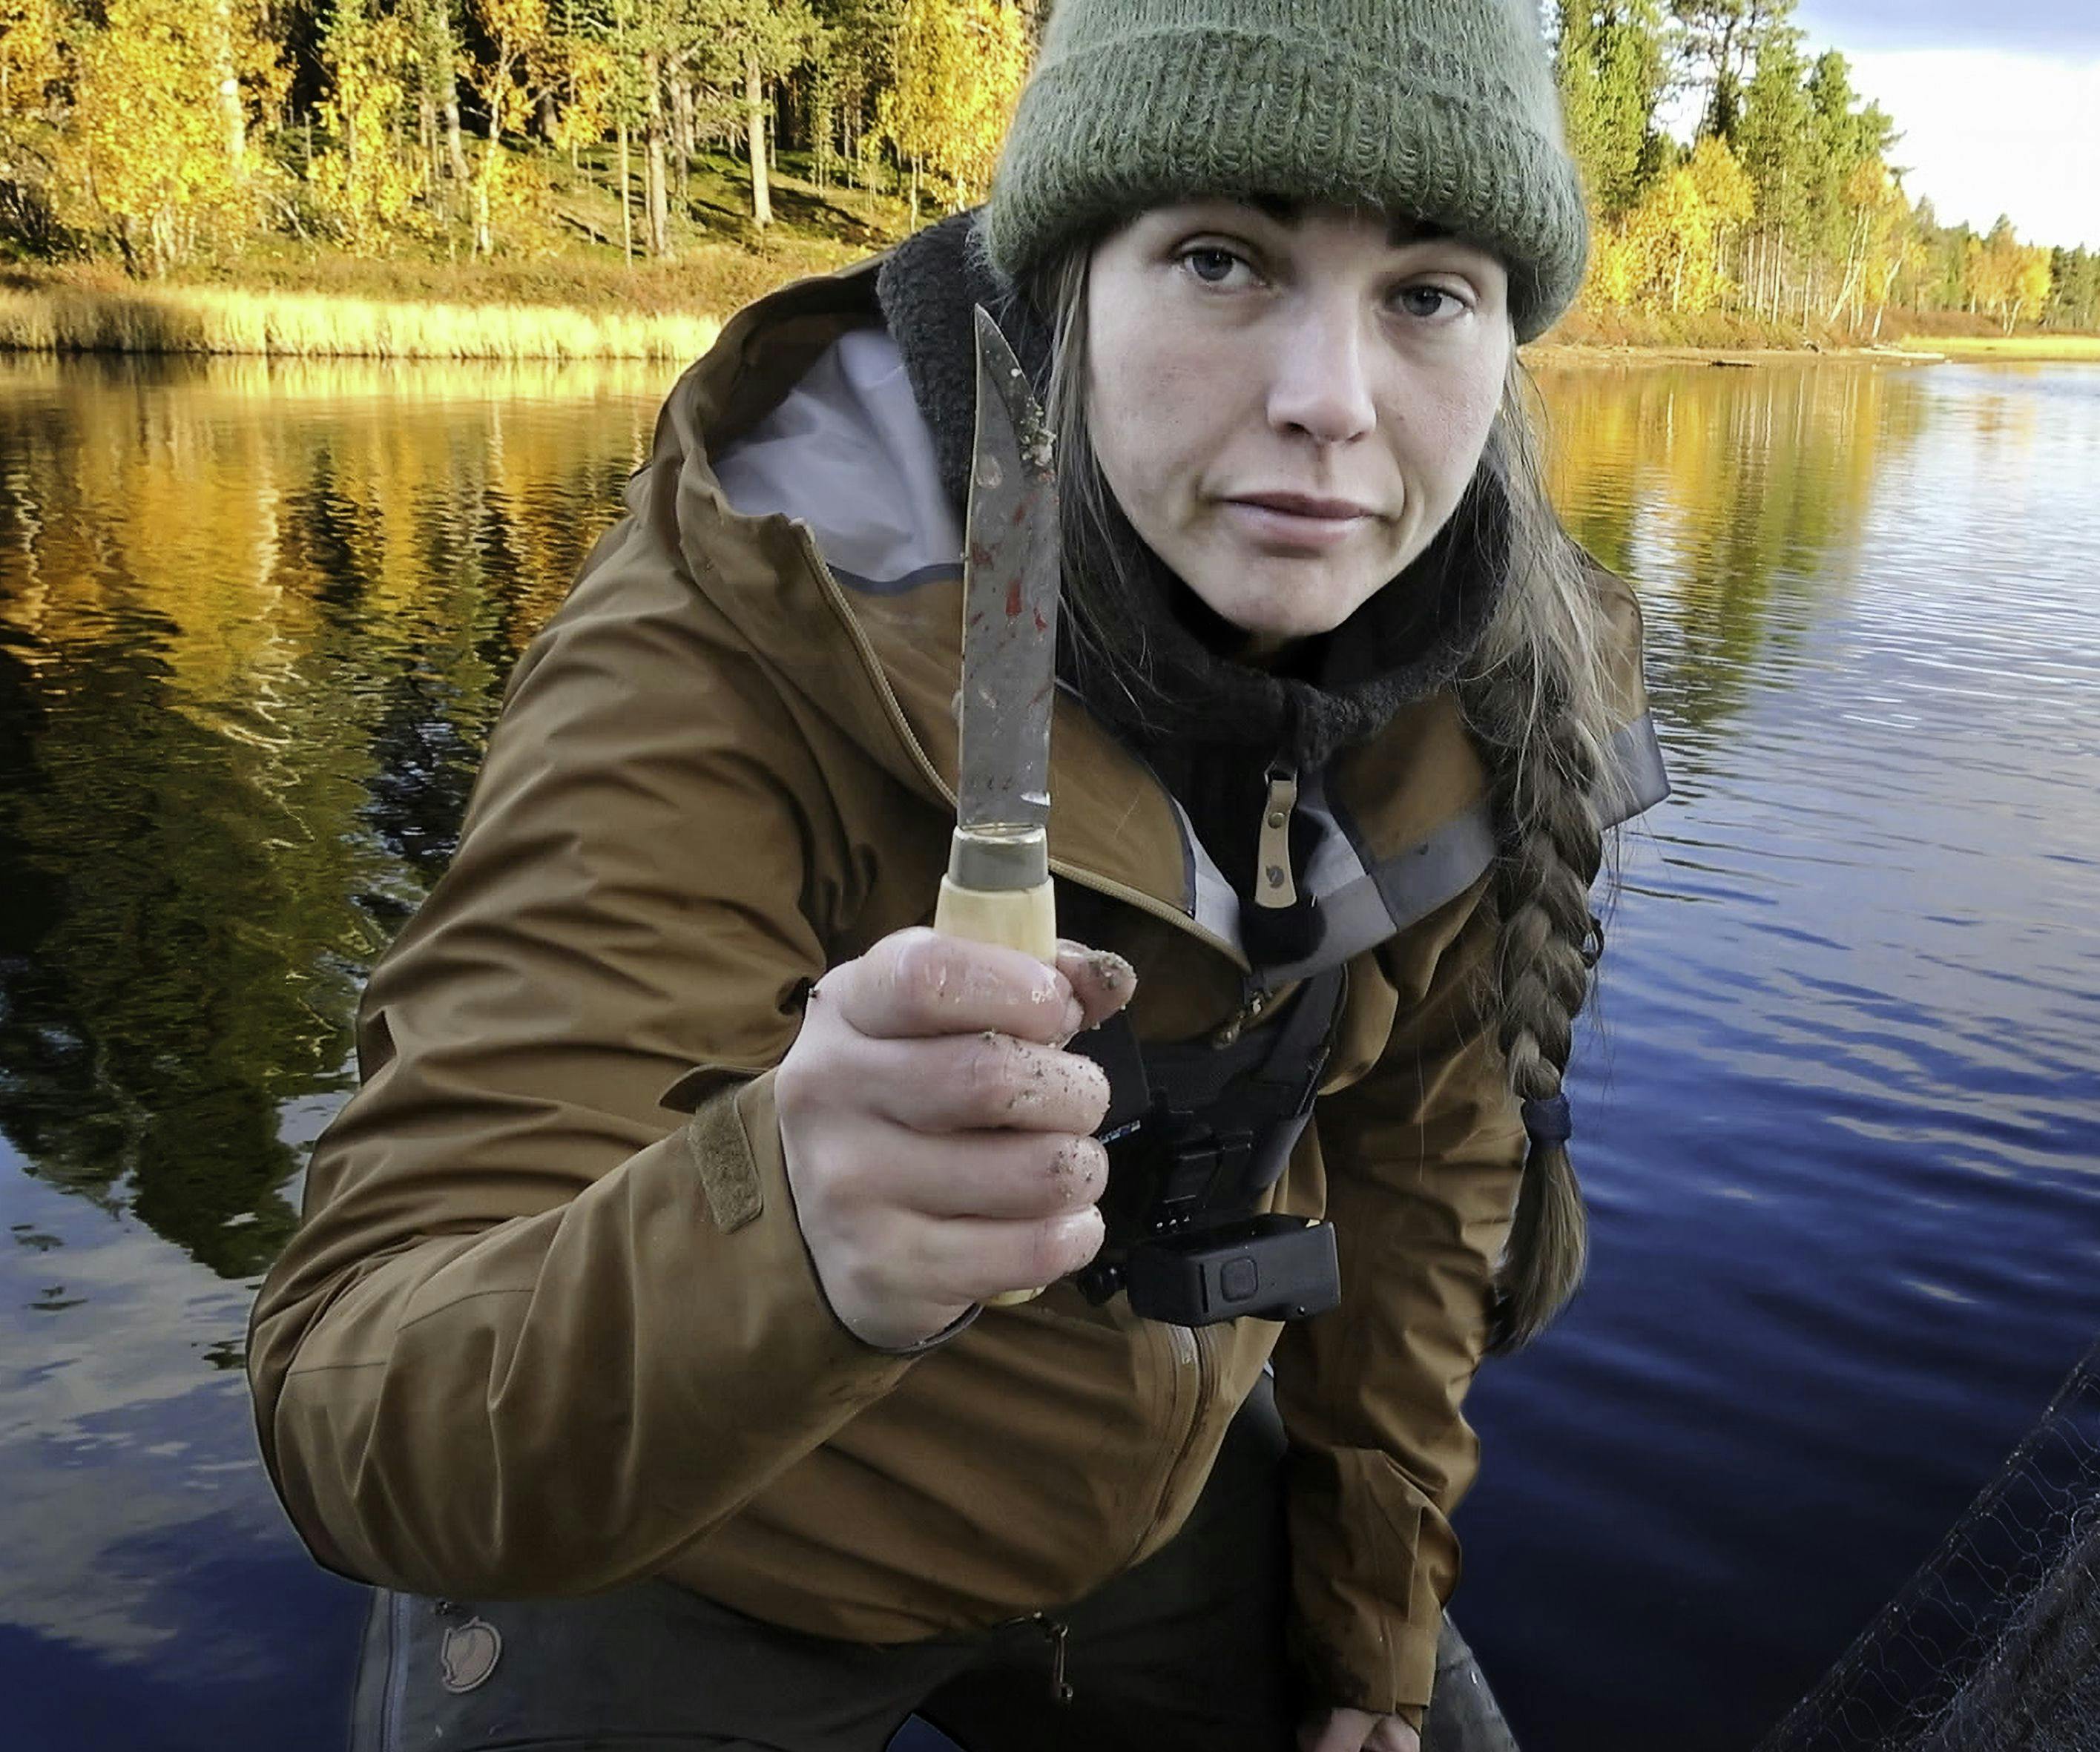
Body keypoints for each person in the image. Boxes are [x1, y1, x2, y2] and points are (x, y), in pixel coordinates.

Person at [242, 1, 1665, 1746]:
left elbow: (1423, 1195)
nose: (1329, 402)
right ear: (1069, 276)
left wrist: (1371, 1626)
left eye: (1427, 292)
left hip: (1152, 1502)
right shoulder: (741, 623)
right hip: (704, 1533)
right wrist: (794, 1232)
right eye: (1222, 259)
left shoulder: (1487, 679)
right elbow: (354, 1403)